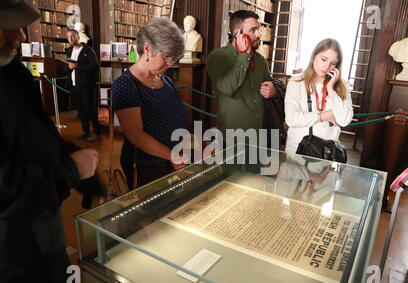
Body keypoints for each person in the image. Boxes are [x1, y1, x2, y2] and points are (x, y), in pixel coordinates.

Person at [0, 0, 99, 283]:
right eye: (5, 27)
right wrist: (71, 170)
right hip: (8, 243)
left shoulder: (11, 69)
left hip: (46, 218)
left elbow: (36, 133)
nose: (18, 36)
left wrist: (70, 158)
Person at [112, 18, 189, 190]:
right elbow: (136, 136)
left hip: (175, 163)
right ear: (147, 49)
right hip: (148, 168)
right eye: (167, 56)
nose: (171, 63)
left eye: (174, 58)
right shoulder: (125, 85)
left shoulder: (167, 81)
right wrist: (172, 156)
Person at [206, 10, 278, 137]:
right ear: (236, 33)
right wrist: (244, 55)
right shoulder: (217, 57)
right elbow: (227, 88)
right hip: (231, 138)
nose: (259, 34)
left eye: (258, 29)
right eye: (253, 30)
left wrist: (273, 91)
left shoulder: (260, 60)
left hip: (260, 136)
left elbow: (270, 85)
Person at [285, 38, 353, 156]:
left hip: (327, 152)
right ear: (314, 57)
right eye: (323, 59)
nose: (327, 66)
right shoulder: (296, 82)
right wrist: (325, 116)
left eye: (333, 63)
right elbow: (291, 119)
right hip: (297, 150)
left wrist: (331, 90)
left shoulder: (342, 85)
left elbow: (344, 120)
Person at [65, 29, 101, 142]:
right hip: (74, 85)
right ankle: (85, 131)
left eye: (72, 36)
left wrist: (77, 66)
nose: (70, 39)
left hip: (86, 85)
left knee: (90, 109)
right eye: (68, 37)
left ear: (78, 37)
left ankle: (97, 133)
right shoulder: (69, 50)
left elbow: (93, 66)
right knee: (81, 110)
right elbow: (70, 66)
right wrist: (69, 67)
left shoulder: (88, 50)